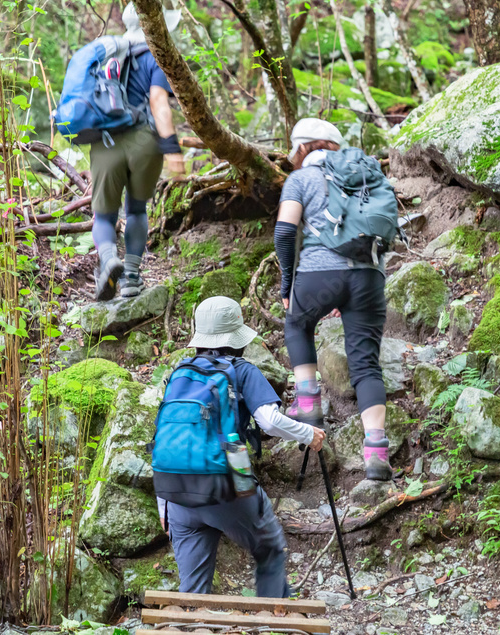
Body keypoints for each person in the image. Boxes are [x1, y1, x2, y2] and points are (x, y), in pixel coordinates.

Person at [158, 296, 325, 596]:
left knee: (192, 592)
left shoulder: (180, 373)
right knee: (271, 547)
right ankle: (275, 619)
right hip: (227, 473)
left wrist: (164, 503)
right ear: (236, 338)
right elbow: (269, 422)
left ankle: (188, 626)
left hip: (175, 488)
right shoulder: (242, 369)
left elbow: (166, 435)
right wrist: (307, 434)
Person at [274, 118, 392, 482]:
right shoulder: (367, 176)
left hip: (319, 274)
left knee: (296, 321)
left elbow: (284, 230)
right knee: (366, 364)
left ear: (302, 147)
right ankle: (376, 453)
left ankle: (308, 406)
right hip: (369, 276)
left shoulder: (301, 179)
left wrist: (287, 285)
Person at [92, 2, 185, 302]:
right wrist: (172, 149)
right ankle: (131, 276)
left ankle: (108, 258)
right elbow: (158, 102)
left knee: (104, 215)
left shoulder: (105, 57)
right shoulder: (156, 58)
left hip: (105, 141)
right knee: (135, 208)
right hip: (144, 140)